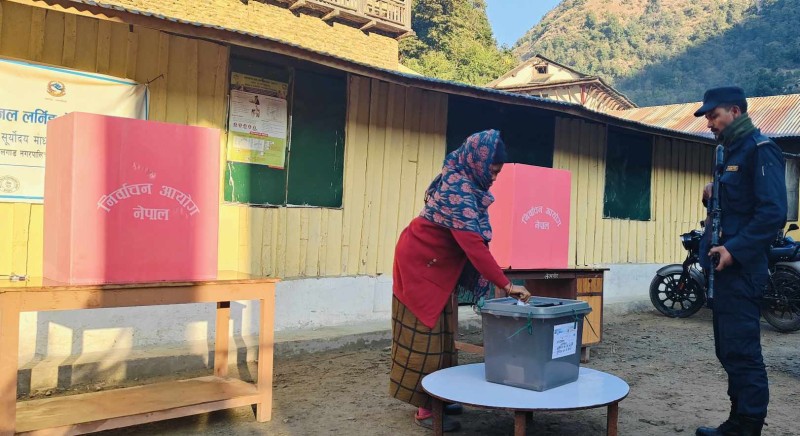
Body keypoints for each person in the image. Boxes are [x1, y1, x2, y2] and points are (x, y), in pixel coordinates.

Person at [388, 129, 531, 432]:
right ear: (478, 163)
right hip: (419, 263)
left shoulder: (465, 180)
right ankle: (426, 409)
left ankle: (439, 395)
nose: (493, 178)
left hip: (437, 264)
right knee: (425, 334)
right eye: (492, 171)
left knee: (443, 332)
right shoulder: (460, 190)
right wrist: (506, 284)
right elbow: (473, 246)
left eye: (497, 173)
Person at [695, 87, 787, 436]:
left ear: (735, 111)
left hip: (742, 270)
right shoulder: (727, 153)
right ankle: (736, 422)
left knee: (744, 353)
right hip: (723, 272)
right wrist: (712, 194)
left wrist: (735, 249)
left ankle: (747, 427)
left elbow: (772, 213)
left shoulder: (761, 150)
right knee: (729, 350)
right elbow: (737, 209)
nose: (709, 123)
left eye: (713, 115)